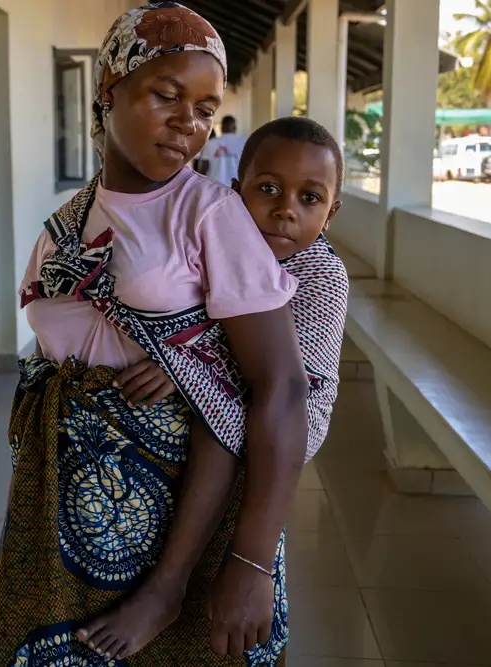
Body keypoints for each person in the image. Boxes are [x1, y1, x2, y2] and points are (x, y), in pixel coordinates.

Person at [0, 3, 308, 666]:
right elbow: (45, 384)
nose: (188, 124)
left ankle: (165, 591)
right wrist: (13, 529)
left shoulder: (207, 213)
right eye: (167, 95)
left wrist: (250, 562)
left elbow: (280, 386)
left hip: (174, 517)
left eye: (205, 108)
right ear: (109, 89)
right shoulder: (64, 225)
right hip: (62, 513)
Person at [78, 116, 349, 659]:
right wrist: (187, 357)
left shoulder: (321, 273)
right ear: (235, 191)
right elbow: (198, 317)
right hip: (237, 391)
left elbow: (282, 377)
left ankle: (168, 586)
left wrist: (183, 365)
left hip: (293, 411)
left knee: (215, 428)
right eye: (267, 188)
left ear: (331, 212)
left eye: (309, 197)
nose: (285, 208)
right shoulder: (218, 242)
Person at [198, 115, 246, 185]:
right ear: (235, 127)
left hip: (214, 186)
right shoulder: (244, 142)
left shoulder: (211, 143)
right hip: (236, 186)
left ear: (222, 128)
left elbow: (204, 169)